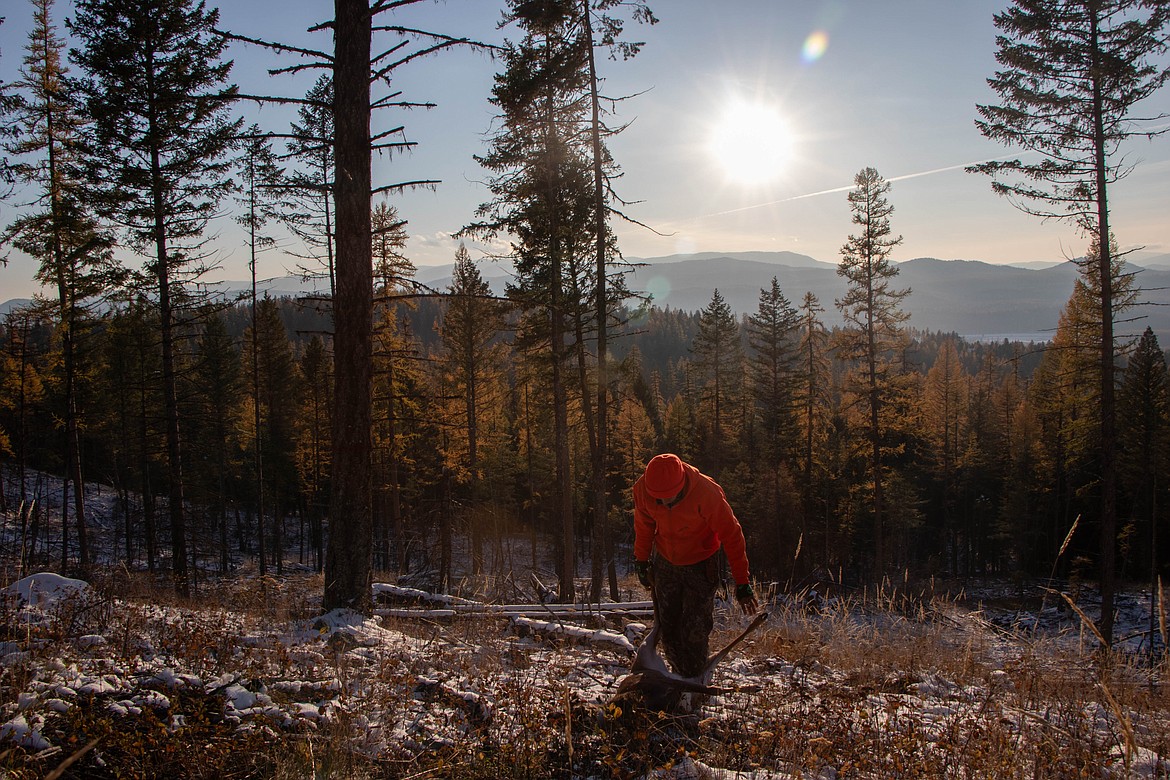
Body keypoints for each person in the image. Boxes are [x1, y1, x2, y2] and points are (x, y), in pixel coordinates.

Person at [632, 453, 759, 680]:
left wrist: (742, 583)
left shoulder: (706, 493)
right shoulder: (643, 489)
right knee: (669, 629)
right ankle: (678, 679)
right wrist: (641, 560)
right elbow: (644, 526)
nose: (660, 503)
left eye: (666, 499)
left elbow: (732, 536)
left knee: (694, 631)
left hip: (701, 565)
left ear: (681, 488)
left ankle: (696, 681)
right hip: (666, 564)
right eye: (657, 498)